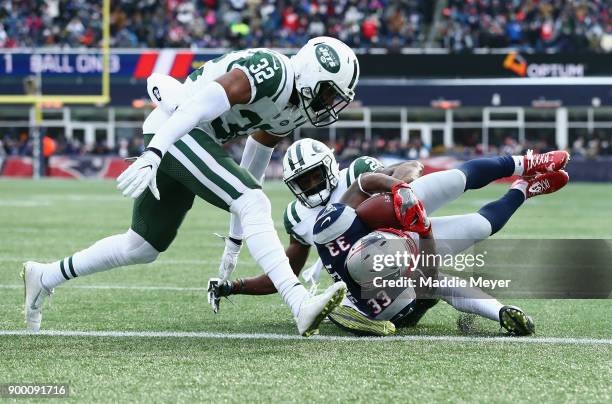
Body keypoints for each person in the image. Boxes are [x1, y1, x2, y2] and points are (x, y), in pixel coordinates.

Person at [22, 36, 361, 336]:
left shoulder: (296, 108)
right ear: (312, 73)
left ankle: (45, 275)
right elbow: (196, 108)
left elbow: (254, 160)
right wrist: (155, 152)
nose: (329, 105)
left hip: (189, 137)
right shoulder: (272, 71)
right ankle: (299, 302)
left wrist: (235, 238)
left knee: (141, 246)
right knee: (253, 201)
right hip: (177, 125)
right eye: (329, 92)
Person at [311, 149, 570, 335]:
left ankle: (526, 162)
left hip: (383, 215)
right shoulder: (385, 302)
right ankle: (523, 189)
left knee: (455, 179)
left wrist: (399, 187)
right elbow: (438, 281)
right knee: (481, 226)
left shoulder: (333, 230)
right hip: (417, 247)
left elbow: (362, 183)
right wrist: (423, 232)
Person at [207, 138, 423, 336]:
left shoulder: (355, 175)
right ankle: (371, 318)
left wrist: (399, 189)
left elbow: (412, 166)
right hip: (370, 290)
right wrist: (233, 286)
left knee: (433, 284)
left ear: (329, 167)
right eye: (303, 181)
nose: (311, 185)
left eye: (316, 176)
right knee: (337, 300)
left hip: (407, 258)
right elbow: (284, 274)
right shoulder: (297, 217)